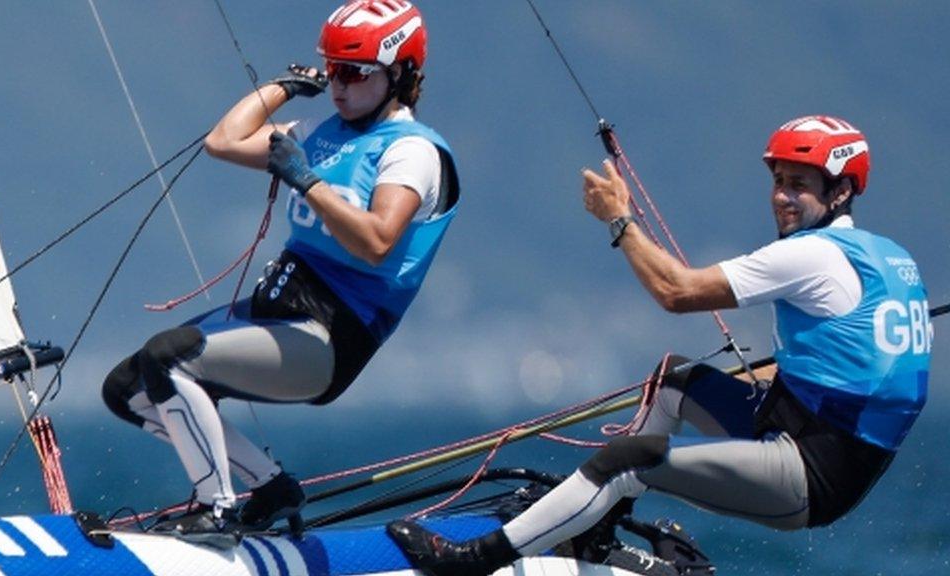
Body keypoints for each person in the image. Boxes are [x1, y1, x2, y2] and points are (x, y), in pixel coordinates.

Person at [387, 115, 932, 575]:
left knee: (629, 458)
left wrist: (619, 220)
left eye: (800, 185)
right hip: (816, 445)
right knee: (675, 379)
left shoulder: (811, 256)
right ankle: (593, 530)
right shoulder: (890, 258)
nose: (783, 198)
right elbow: (864, 375)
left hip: (808, 474)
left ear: (841, 191)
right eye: (779, 180)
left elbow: (676, 291)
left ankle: (469, 561)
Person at [102, 0, 459, 535]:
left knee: (167, 360)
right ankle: (270, 488)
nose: (339, 85)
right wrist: (286, 86)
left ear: (401, 74)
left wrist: (307, 182)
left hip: (330, 337)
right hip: (277, 310)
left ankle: (215, 509)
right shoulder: (322, 130)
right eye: (333, 68)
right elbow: (222, 142)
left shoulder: (411, 152)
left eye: (354, 72)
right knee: (127, 387)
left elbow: (378, 241)